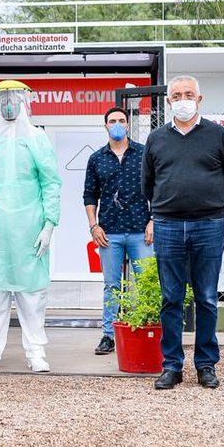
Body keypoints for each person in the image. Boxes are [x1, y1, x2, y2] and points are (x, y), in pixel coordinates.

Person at [142, 76, 224, 390]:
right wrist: (165, 208)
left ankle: (206, 365)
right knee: (171, 299)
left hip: (208, 225)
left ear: (199, 99)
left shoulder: (217, 135)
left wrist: (212, 205)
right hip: (168, 226)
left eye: (188, 94)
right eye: (176, 95)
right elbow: (148, 183)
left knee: (207, 298)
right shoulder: (156, 139)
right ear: (168, 101)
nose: (182, 99)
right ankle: (172, 366)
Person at [0, 80, 62, 373]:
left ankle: (36, 352)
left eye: (14, 98)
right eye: (3, 99)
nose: (9, 104)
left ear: (24, 101)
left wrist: (49, 224)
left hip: (29, 227)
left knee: (32, 295)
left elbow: (51, 182)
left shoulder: (37, 139)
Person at [84, 106, 152, 356]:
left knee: (145, 284)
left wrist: (153, 220)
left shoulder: (144, 154)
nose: (117, 125)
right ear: (105, 126)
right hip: (109, 233)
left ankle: (147, 331)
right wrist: (94, 226)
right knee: (111, 286)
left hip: (140, 231)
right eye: (112, 121)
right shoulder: (97, 159)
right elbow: (89, 195)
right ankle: (109, 336)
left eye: (121, 120)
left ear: (128, 124)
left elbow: (156, 188)